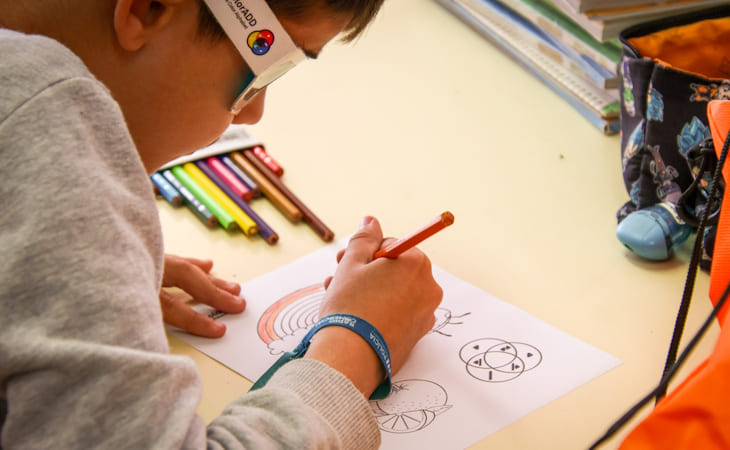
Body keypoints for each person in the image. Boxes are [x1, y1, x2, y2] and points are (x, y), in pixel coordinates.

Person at [0, 0, 443, 448]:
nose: (251, 114)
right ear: (148, 9)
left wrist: (71, 269)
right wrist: (355, 346)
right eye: (264, 69)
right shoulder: (39, 128)